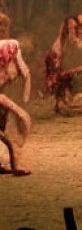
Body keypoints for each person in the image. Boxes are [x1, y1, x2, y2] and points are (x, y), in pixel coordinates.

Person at [0, 34, 31, 175]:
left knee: (4, 117)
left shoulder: (11, 48)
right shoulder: (9, 47)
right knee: (17, 115)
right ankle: (15, 162)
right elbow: (25, 72)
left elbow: (25, 72)